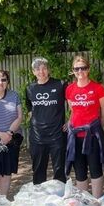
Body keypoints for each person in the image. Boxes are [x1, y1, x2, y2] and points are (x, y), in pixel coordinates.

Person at [65, 55, 104, 198]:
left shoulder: (98, 88)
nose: (80, 71)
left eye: (83, 68)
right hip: (75, 137)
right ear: (73, 70)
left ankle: (96, 202)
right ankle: (84, 203)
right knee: (80, 171)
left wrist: (98, 126)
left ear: (88, 69)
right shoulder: (69, 89)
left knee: (96, 169)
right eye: (77, 69)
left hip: (92, 136)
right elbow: (73, 111)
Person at [25, 57, 67, 185]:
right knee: (38, 171)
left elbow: (73, 103)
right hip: (37, 137)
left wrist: (70, 121)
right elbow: (30, 109)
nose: (41, 71)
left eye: (44, 68)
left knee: (59, 170)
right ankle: (39, 199)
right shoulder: (30, 88)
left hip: (57, 135)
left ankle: (60, 199)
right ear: (33, 72)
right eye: (37, 69)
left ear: (48, 70)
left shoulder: (60, 84)